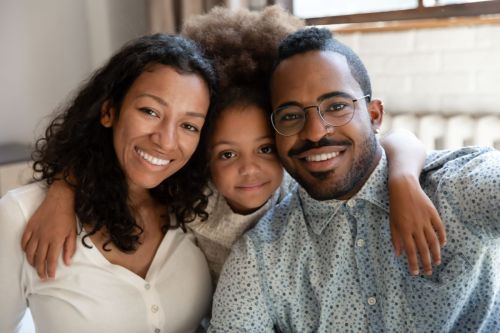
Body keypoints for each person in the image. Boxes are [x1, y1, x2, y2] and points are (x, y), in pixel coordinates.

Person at [20, 7, 445, 289]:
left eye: (265, 148)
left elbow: (394, 139)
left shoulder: (298, 185)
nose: (249, 169)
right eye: (226, 154)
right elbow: (117, 166)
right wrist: (61, 189)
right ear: (202, 152)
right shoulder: (190, 196)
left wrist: (404, 178)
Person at [208, 27, 500, 332]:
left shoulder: (455, 188)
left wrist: (404, 179)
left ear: (374, 115)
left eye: (336, 107)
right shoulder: (262, 255)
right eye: (291, 115)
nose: (315, 132)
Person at [0, 33, 217, 332]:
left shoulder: (201, 207)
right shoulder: (21, 215)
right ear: (108, 111)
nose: (166, 141)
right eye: (150, 111)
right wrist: (63, 188)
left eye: (188, 125)